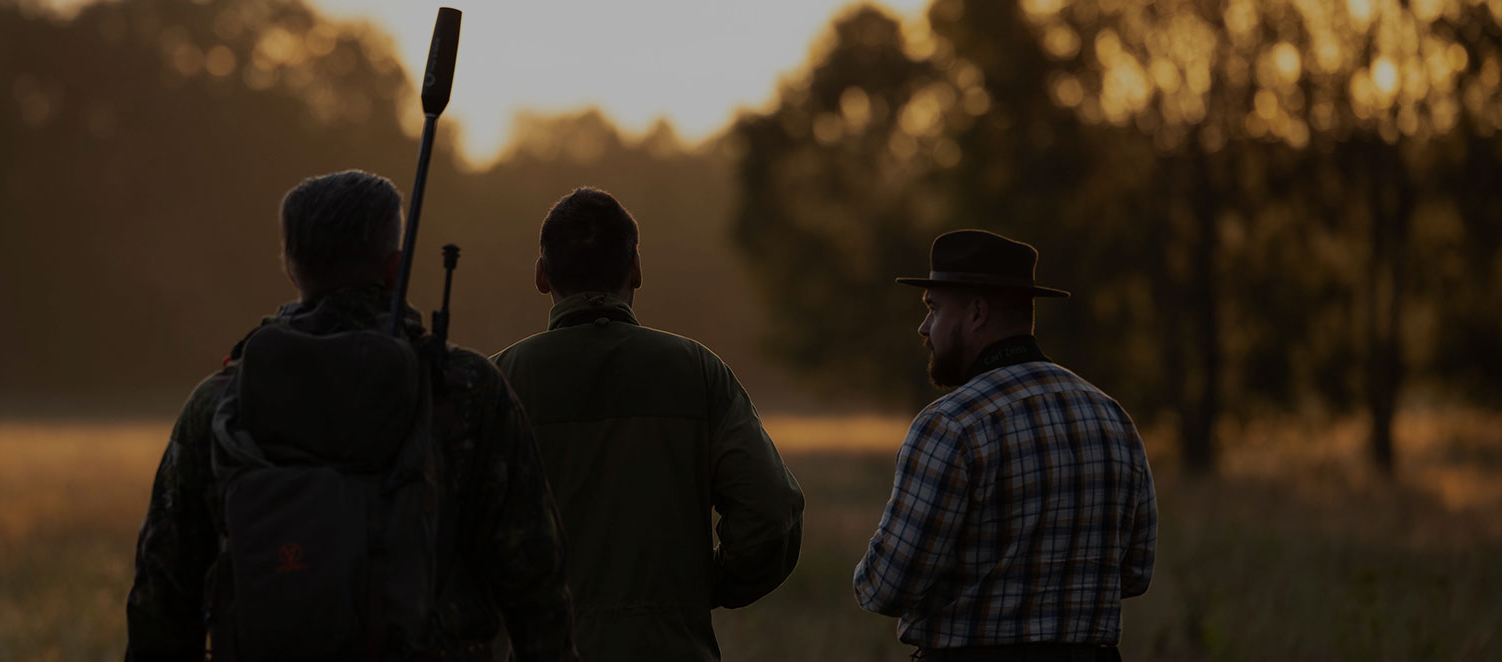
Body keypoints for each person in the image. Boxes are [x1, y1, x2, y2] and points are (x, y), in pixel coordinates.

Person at [124, 170, 577, 662]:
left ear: (292, 267)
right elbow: (536, 580)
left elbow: (161, 595)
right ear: (394, 266)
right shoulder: (463, 389)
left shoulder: (220, 403)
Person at [492, 187, 805, 662]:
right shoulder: (697, 372)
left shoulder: (496, 384)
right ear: (636, 268)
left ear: (541, 275)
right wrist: (707, 587)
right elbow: (770, 512)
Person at [854, 230, 1159, 661]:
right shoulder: (1112, 417)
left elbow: (884, 588)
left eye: (934, 310)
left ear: (977, 312)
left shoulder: (951, 423)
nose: (924, 328)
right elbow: (1136, 573)